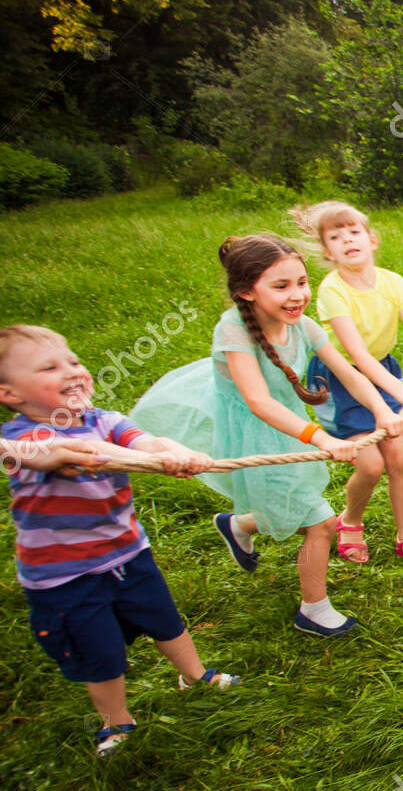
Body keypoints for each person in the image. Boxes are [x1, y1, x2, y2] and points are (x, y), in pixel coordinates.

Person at [131, 235, 403, 637]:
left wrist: (382, 410)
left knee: (291, 504)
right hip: (254, 430)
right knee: (321, 522)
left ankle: (239, 525)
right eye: (281, 286)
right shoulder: (233, 331)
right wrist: (321, 438)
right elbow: (258, 402)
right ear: (245, 291)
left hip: (289, 424)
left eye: (301, 282)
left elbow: (347, 372)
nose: (297, 295)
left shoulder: (305, 326)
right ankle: (314, 609)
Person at [1, 324, 236, 757]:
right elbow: (75, 454)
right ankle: (117, 722)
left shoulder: (105, 420)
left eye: (73, 360)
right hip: (63, 577)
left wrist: (174, 451)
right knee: (100, 652)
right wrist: (155, 460)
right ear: (10, 394)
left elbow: (147, 440)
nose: (72, 371)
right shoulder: (20, 440)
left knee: (166, 621)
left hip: (129, 553)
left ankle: (194, 675)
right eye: (50, 367)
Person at [290, 200, 403, 571]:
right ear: (327, 252)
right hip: (341, 380)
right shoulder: (332, 290)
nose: (347, 240)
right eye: (336, 236)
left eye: (354, 231)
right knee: (370, 466)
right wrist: (398, 391)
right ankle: (351, 520)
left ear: (372, 238)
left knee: (399, 460)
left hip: (384, 371)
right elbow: (357, 356)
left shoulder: (394, 282)